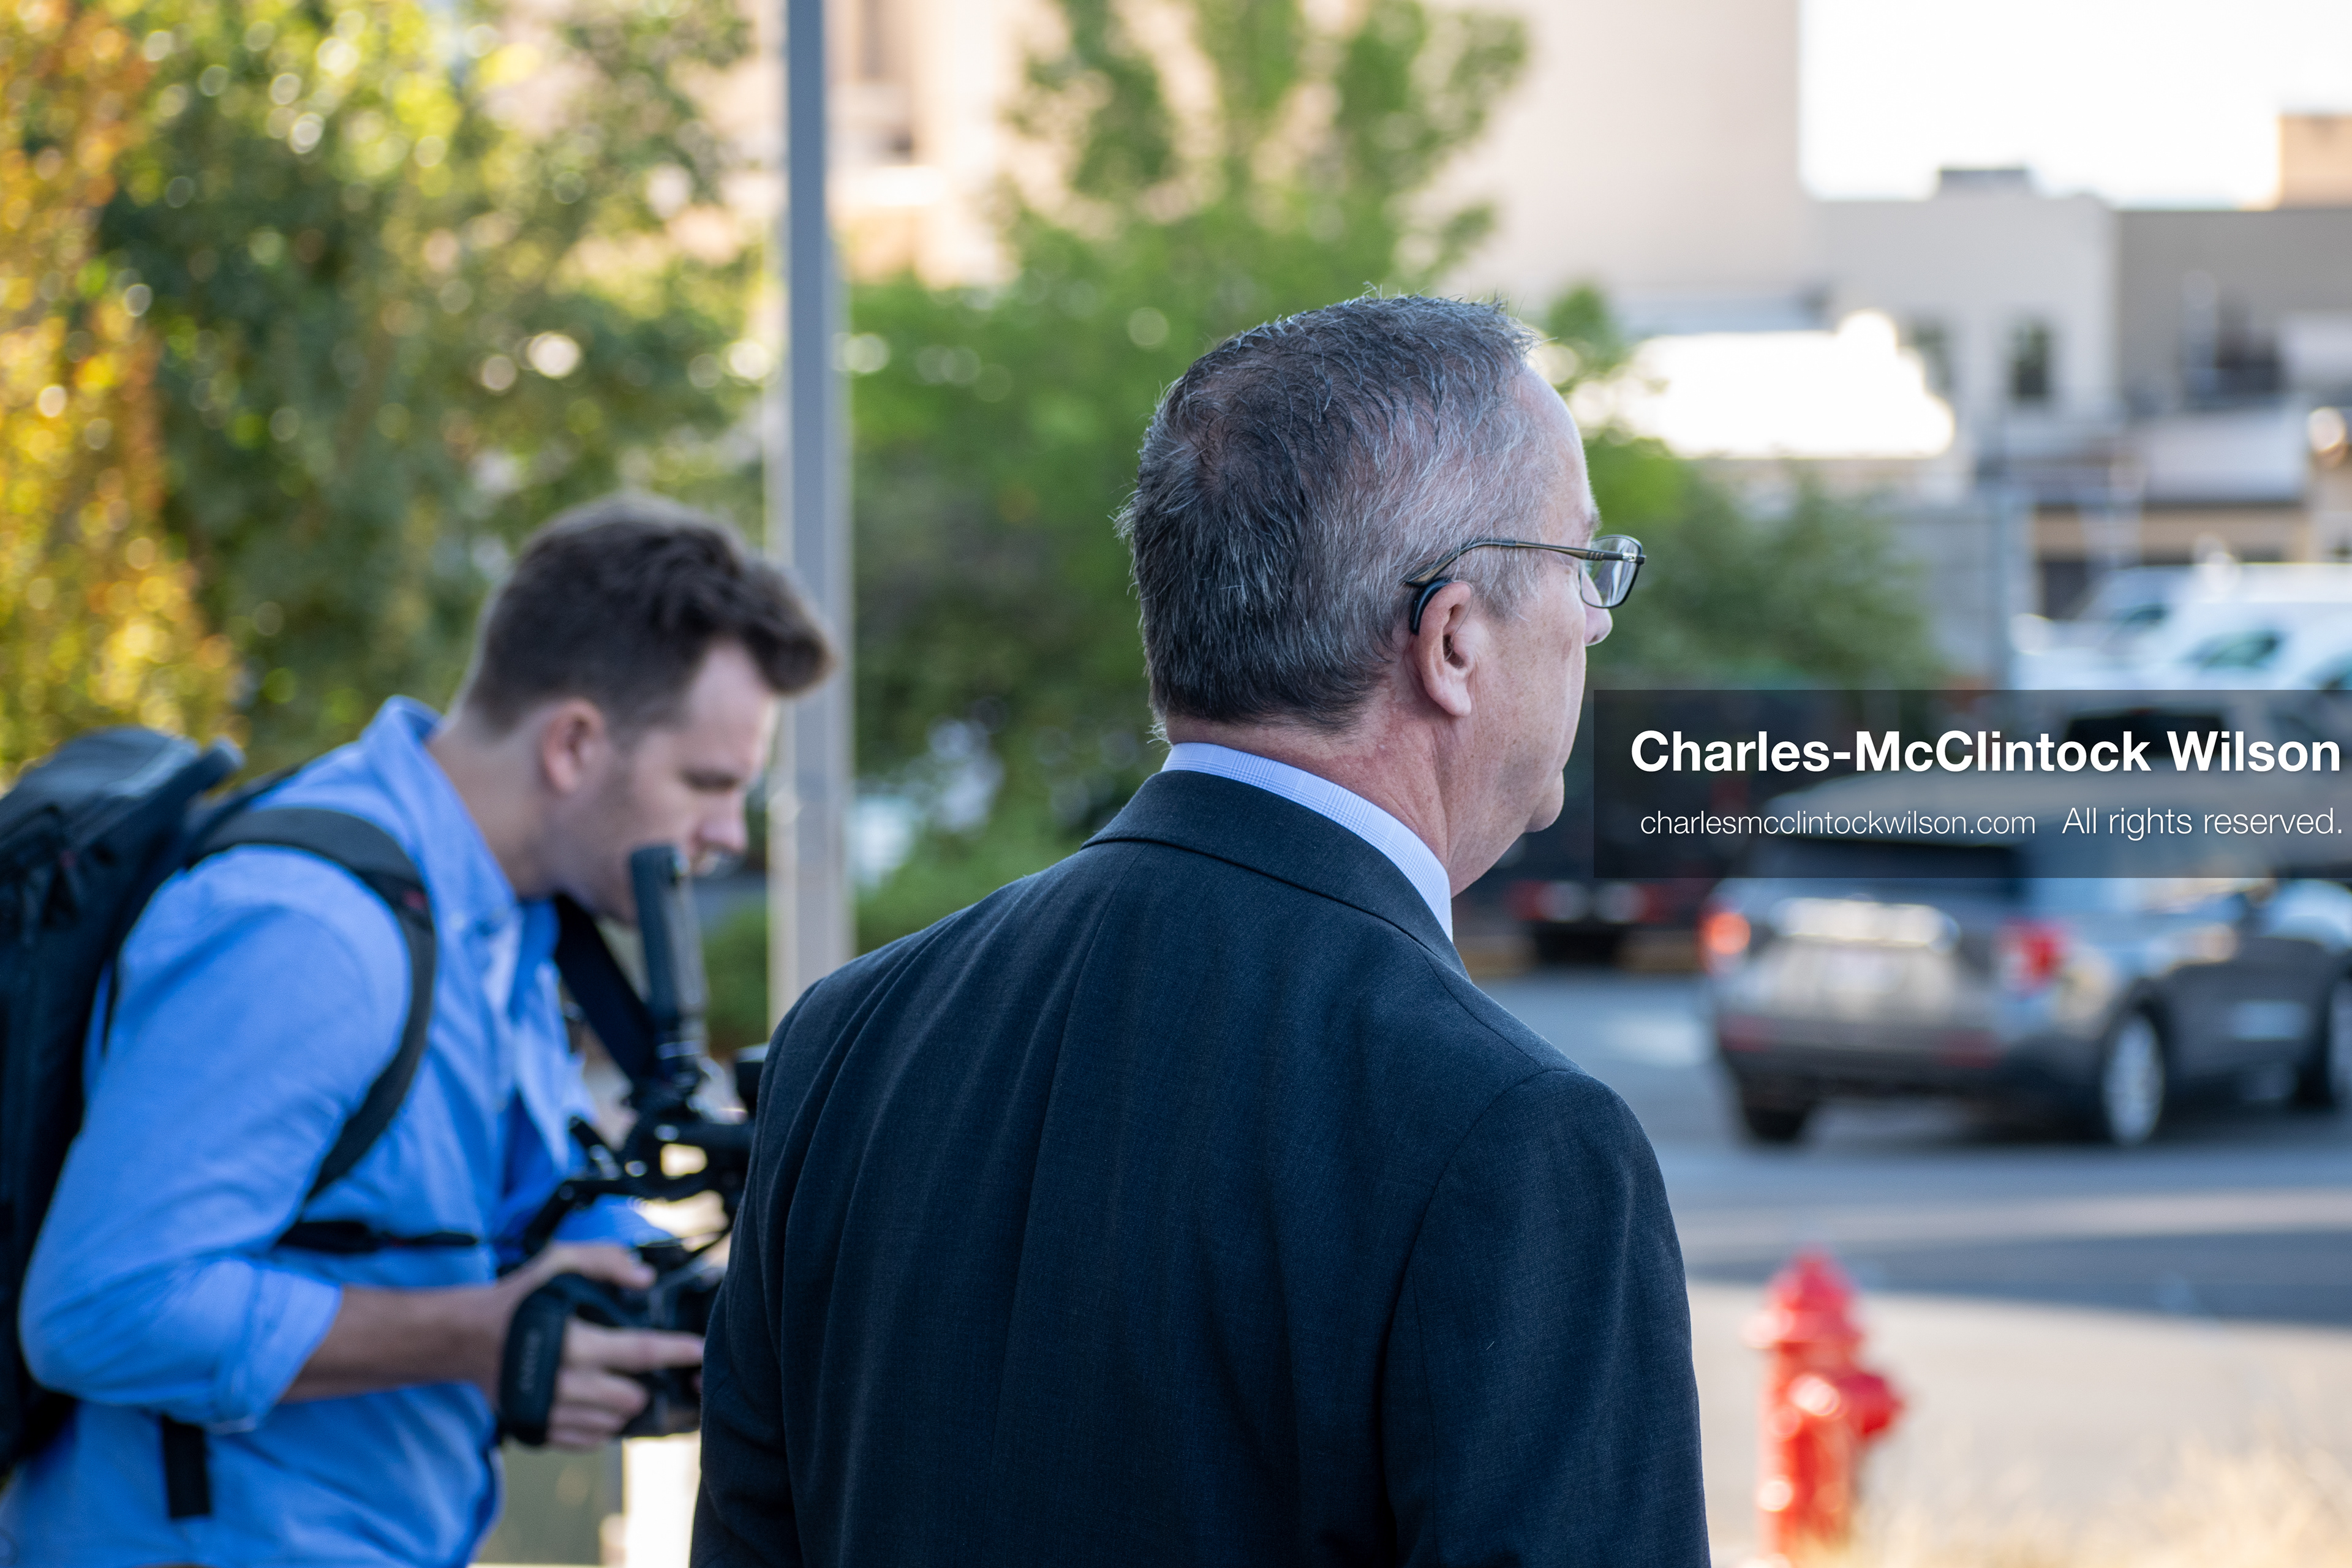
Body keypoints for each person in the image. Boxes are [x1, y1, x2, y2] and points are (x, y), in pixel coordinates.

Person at [693, 296, 1706, 1566]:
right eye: (1582, 563)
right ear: (1452, 640)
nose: (1599, 618)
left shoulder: (850, 1040)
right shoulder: (1509, 1136)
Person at [6, 496, 832, 1566]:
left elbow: (509, 1216)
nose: (726, 835)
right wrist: (474, 1337)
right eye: (709, 785)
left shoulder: (501, 925)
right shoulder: (309, 934)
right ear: (577, 743)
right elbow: (101, 1308)